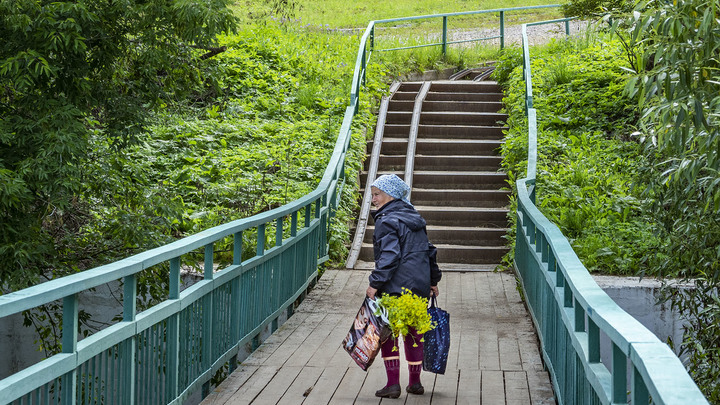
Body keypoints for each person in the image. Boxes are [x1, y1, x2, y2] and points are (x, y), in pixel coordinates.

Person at [365, 174, 441, 398]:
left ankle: (392, 384)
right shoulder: (415, 217)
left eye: (377, 194)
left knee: (390, 333)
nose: (373, 200)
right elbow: (429, 251)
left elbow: (389, 256)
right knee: (414, 332)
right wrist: (433, 281)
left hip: (394, 287)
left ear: (390, 195)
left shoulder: (387, 220)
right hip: (418, 286)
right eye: (372, 195)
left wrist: (374, 283)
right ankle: (415, 383)